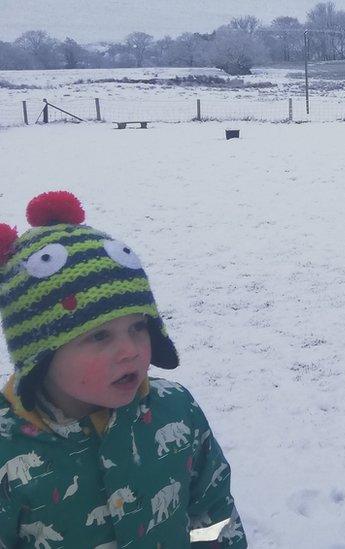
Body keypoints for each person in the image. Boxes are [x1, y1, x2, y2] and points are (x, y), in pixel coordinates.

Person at [0, 191, 246, 547]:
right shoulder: (9, 448)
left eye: (138, 327)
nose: (130, 351)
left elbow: (210, 511)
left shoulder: (176, 410)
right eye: (100, 336)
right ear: (39, 352)